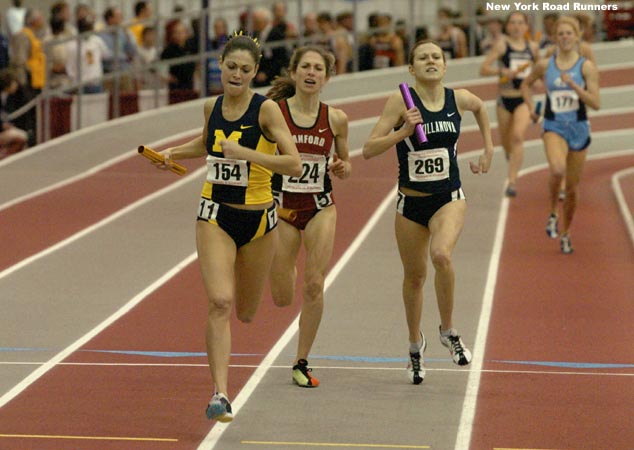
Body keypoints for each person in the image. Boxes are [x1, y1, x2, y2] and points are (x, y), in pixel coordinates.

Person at [152, 33, 301, 421]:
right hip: (214, 213)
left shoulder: (266, 111)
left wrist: (248, 154)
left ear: (255, 73)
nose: (236, 74)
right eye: (231, 67)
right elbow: (207, 144)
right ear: (220, 64)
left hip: (259, 220)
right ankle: (220, 393)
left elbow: (295, 164)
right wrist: (172, 155)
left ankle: (281, 264)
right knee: (220, 301)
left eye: (245, 70)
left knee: (247, 313)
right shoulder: (211, 106)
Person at [362, 39, 494, 384]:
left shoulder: (458, 98)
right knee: (414, 277)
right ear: (412, 68)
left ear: (445, 66)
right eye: (423, 57)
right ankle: (414, 346)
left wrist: (488, 150)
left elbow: (481, 108)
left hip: (449, 197)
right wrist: (403, 131)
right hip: (410, 203)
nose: (431, 61)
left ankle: (448, 330)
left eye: (437, 56)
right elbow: (368, 149)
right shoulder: (400, 102)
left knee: (441, 256)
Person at [266, 46, 351, 387]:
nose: (311, 72)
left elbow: (345, 165)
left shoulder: (336, 119)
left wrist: (342, 166)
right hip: (283, 210)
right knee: (282, 295)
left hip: (320, 207)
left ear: (326, 78)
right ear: (294, 72)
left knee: (314, 285)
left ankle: (301, 361)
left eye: (318, 68)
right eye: (305, 67)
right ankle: (287, 264)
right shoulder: (273, 113)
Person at [520, 16, 600, 254]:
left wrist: (575, 86)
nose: (565, 37)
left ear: (577, 37)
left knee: (573, 189)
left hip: (578, 127)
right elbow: (526, 84)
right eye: (561, 33)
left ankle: (565, 233)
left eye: (569, 33)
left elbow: (596, 103)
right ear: (555, 38)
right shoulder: (546, 64)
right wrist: (531, 108)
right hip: (553, 125)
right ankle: (553, 211)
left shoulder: (586, 67)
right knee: (557, 169)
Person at [479, 12, 539, 197]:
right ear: (507, 26)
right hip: (504, 99)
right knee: (506, 142)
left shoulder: (533, 47)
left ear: (526, 27)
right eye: (513, 23)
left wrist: (536, 80)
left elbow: (539, 70)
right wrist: (502, 71)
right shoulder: (502, 45)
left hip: (523, 99)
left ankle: (512, 182)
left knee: (517, 137)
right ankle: (509, 154)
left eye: (520, 23)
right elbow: (483, 69)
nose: (516, 26)